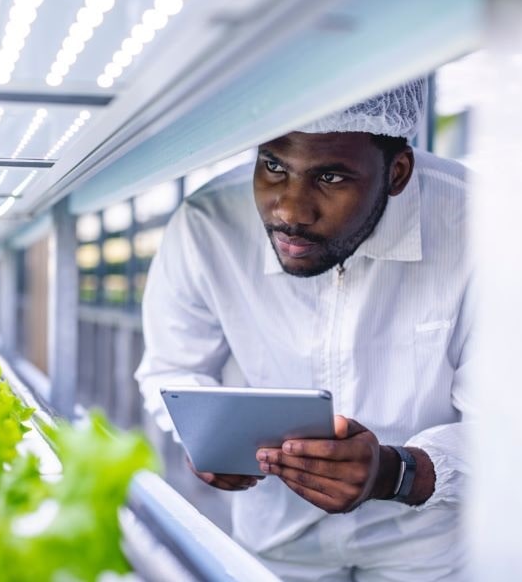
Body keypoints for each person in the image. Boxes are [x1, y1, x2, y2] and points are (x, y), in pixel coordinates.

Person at [134, 79, 474, 581]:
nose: (290, 210)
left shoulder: (481, 224)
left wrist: (397, 472)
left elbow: (514, 423)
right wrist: (203, 437)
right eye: (273, 166)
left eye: (331, 178)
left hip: (429, 547)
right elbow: (171, 369)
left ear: (397, 173)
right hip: (275, 541)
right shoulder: (208, 224)